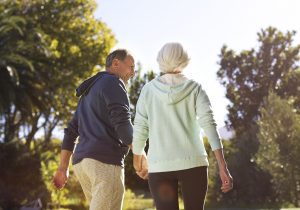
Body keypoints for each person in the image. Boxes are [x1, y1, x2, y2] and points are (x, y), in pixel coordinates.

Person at [132, 43, 233, 210]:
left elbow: (140, 127)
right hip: (193, 164)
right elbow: (209, 125)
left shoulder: (148, 90)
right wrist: (223, 166)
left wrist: (137, 160)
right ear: (185, 59)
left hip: (159, 165)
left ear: (160, 60)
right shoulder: (195, 88)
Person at [53, 49, 146, 210]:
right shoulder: (113, 83)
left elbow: (70, 131)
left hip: (83, 164)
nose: (133, 73)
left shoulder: (88, 93)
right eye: (131, 67)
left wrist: (63, 167)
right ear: (116, 63)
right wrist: (140, 152)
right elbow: (123, 123)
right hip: (104, 162)